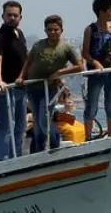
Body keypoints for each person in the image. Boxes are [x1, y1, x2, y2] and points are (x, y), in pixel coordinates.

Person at [17, 14, 84, 152]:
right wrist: (21, 77)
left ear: (61, 30)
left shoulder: (66, 47)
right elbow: (28, 62)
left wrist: (60, 73)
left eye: (56, 29)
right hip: (33, 87)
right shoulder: (38, 45)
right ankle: (37, 151)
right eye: (50, 30)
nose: (53, 32)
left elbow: (79, 66)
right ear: (45, 31)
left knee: (43, 119)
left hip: (49, 88)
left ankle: (51, 148)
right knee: (38, 121)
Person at [0, 1, 29, 162]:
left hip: (20, 87)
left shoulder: (19, 33)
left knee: (20, 125)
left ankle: (16, 158)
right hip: (5, 88)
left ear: (20, 17)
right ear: (3, 16)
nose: (12, 17)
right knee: (5, 126)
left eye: (15, 15)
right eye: (9, 15)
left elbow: (25, 58)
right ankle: (2, 161)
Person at [81, 0, 111, 137]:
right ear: (101, 12)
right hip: (96, 74)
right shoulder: (90, 30)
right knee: (92, 104)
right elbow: (85, 53)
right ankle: (88, 136)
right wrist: (94, 62)